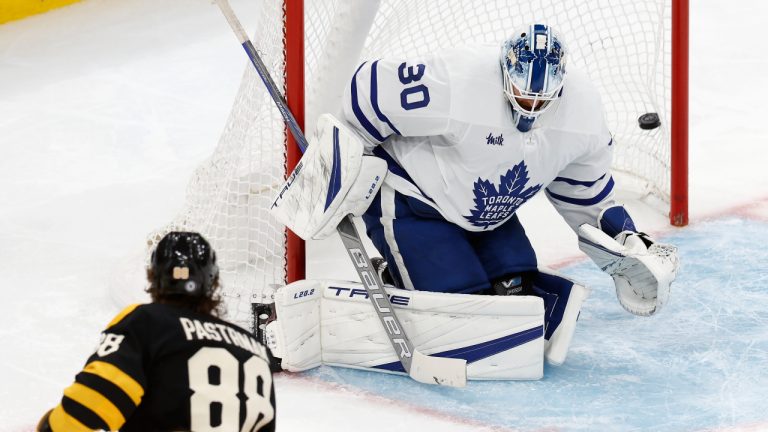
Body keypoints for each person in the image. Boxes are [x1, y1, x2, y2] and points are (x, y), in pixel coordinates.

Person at [340, 23, 679, 316]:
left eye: (542, 100)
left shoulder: (583, 111)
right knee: (460, 308)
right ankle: (392, 277)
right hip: (413, 202)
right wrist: (343, 159)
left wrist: (627, 241)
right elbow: (367, 92)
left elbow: (584, 194)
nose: (531, 108)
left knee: (519, 296)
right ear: (505, 71)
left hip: (488, 218)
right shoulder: (460, 78)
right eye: (523, 95)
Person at [37, 232, 275, 432]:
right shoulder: (255, 349)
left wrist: (50, 426)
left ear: (154, 277)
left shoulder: (147, 323)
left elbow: (85, 410)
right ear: (212, 282)